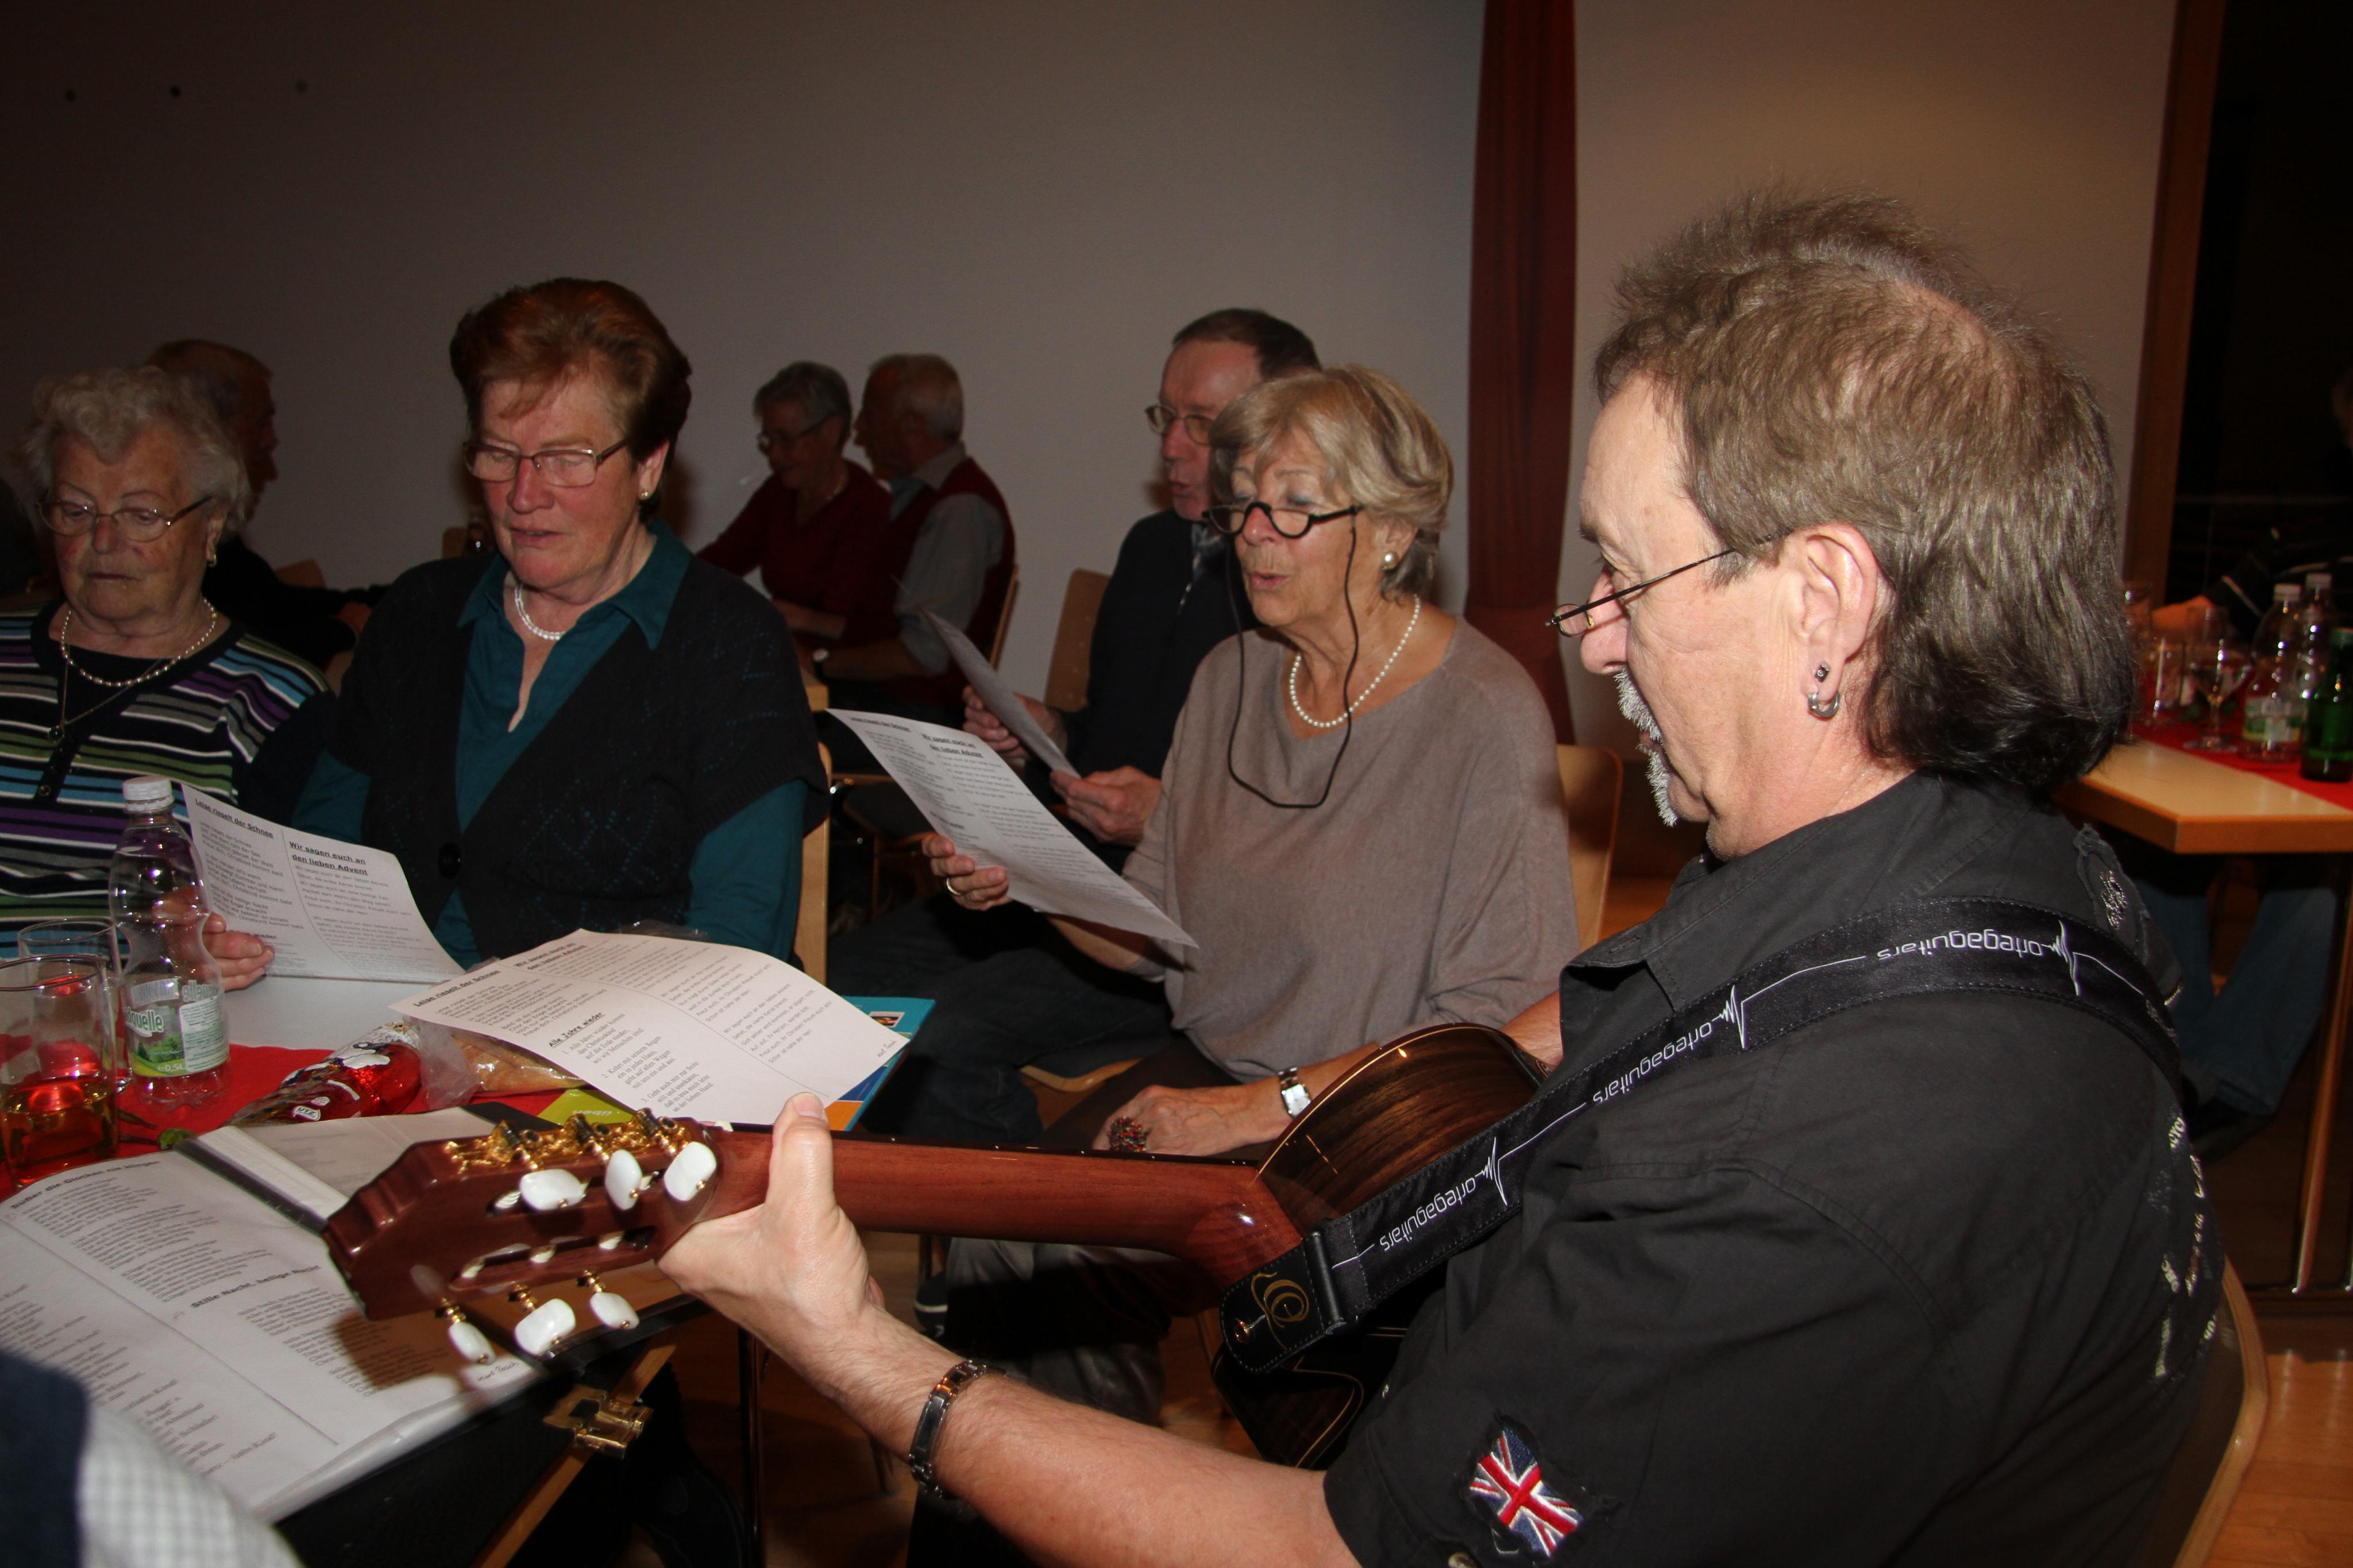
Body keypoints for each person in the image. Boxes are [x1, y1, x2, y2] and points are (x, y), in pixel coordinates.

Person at [662, 194, 2219, 1567]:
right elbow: (1578, 1020)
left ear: (1826, 601)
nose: (1592, 633)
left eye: (1629, 573)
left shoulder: (1783, 1168)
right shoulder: (2004, 892)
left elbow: (1347, 1548)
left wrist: (855, 1349)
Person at [831, 308, 1318, 1133]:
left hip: (1176, 934)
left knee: (931, 1041)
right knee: (836, 977)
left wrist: (1168, 814)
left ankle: (1020, 1203)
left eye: (1203, 424)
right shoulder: (1151, 548)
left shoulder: (1291, 586)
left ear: (1285, 426)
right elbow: (1112, 736)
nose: (1171, 447)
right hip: (1073, 881)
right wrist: (1048, 728)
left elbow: (1305, 834)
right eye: (1167, 417)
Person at [292, 278, 825, 967]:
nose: (522, 495)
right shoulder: (418, 613)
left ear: (648, 465)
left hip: (610, 1026)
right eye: (499, 454)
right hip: (376, 1009)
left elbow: (738, 945)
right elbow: (319, 859)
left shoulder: (729, 646)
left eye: (565, 460)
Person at [2, 365, 327, 979]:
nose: (103, 539)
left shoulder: (272, 701)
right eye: (76, 510)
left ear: (211, 526)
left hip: (136, 1011)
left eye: (142, 514)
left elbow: (297, 927)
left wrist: (218, 941)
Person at [146, 341, 376, 671]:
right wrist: (342, 629)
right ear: (210, 428)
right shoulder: (175, 539)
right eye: (260, 422)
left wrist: (402, 595)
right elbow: (243, 649)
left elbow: (282, 605)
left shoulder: (221, 544)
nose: (270, 441)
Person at [815, 354, 1015, 727]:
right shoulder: (922, 498)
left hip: (911, 721)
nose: (859, 427)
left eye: (870, 411)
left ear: (912, 425)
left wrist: (823, 664)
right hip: (886, 707)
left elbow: (924, 655)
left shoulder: (958, 508)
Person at [695, 360, 897, 654]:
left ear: (831, 431)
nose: (775, 455)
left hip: (838, 669)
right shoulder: (778, 494)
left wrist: (796, 619)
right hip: (783, 653)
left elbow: (867, 629)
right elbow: (721, 561)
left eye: (787, 440)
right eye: (769, 440)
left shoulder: (868, 508)